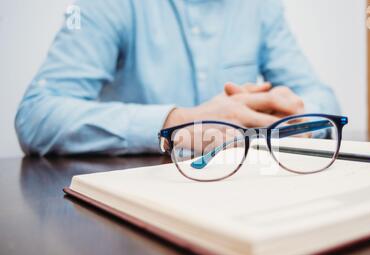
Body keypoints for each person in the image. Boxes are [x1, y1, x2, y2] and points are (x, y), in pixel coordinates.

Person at [15, 0, 340, 156]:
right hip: (137, 201)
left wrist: (287, 118)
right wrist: (179, 122)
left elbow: (321, 99)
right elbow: (37, 116)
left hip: (243, 189)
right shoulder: (109, 5)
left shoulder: (261, 8)